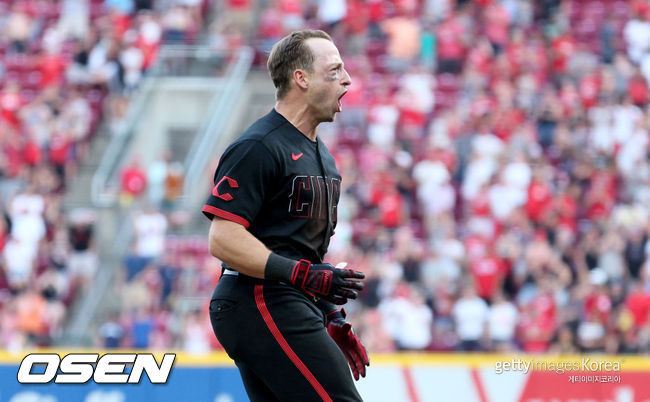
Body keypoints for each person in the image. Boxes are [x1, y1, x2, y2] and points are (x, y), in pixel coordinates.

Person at [203, 30, 369, 402]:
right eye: (335, 70)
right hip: (259, 297)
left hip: (284, 299)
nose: (347, 79)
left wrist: (330, 314)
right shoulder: (258, 146)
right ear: (301, 78)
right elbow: (223, 238)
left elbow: (300, 251)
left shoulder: (322, 155)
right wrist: (304, 277)